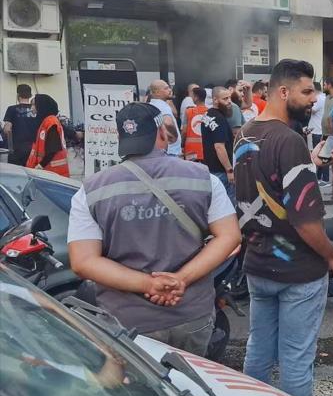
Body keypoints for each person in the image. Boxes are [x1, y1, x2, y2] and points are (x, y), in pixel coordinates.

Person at [67, 102, 240, 356]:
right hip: (190, 313)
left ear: (121, 138)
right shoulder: (203, 178)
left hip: (128, 322)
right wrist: (181, 279)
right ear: (161, 133)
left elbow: (83, 261)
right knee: (190, 389)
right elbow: (229, 236)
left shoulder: (91, 189)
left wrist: (148, 284)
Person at [234, 59, 333, 396]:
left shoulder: (246, 132)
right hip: (297, 270)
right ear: (283, 92)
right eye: (306, 91)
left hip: (258, 264)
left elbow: (266, 186)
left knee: (258, 351)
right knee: (296, 360)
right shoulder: (289, 141)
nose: (314, 99)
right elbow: (304, 220)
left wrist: (311, 166)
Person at [202, 87, 236, 203]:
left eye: (229, 98)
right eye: (225, 99)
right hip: (221, 171)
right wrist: (229, 170)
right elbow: (219, 147)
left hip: (212, 169)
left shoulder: (207, 114)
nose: (229, 101)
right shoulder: (219, 118)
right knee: (228, 204)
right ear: (215, 100)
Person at [26, 94, 70, 177]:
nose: (32, 108)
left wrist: (40, 166)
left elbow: (53, 149)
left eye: (34, 105)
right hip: (48, 172)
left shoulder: (51, 123)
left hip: (53, 173)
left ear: (42, 106)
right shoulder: (45, 121)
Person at [3, 84, 38, 166]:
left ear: (18, 95)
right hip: (34, 149)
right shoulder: (36, 110)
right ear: (30, 95)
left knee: (17, 175)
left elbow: (7, 129)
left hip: (17, 149)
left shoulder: (12, 109)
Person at [149, 80, 183, 157]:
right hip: (171, 152)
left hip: (164, 152)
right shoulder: (161, 105)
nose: (170, 90)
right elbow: (168, 123)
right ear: (157, 92)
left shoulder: (153, 105)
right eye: (166, 88)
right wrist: (174, 140)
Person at [307, 81, 329, 184]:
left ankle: (324, 178)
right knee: (322, 155)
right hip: (320, 129)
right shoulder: (324, 98)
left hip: (317, 130)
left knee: (318, 155)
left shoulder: (319, 98)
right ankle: (320, 177)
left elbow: (313, 110)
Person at [182, 87, 209, 162]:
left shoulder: (189, 112)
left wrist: (181, 145)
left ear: (196, 98)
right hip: (206, 150)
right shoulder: (210, 112)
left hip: (191, 151)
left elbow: (184, 131)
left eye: (192, 96)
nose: (192, 98)